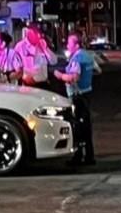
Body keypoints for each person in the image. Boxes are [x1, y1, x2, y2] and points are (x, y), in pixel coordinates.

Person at [54, 31, 101, 166]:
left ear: (76, 44)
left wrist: (60, 76)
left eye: (69, 43)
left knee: (78, 126)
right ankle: (89, 156)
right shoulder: (89, 56)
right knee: (86, 126)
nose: (67, 45)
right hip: (87, 93)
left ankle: (79, 156)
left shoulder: (76, 59)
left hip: (77, 95)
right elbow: (98, 70)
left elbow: (74, 77)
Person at [12, 23, 55, 89]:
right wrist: (24, 76)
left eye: (38, 33)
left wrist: (45, 49)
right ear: (29, 33)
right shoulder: (20, 46)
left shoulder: (42, 45)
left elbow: (53, 61)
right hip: (27, 84)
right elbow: (15, 64)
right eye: (34, 33)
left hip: (43, 84)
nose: (38, 35)